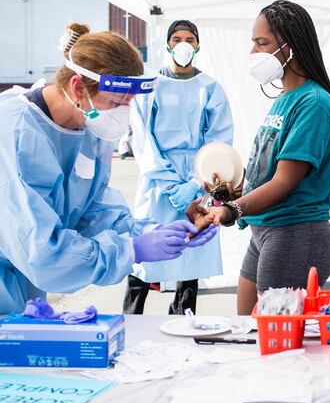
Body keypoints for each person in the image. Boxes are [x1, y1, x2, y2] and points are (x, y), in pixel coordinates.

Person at [0, 25, 216, 314]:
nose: (123, 113)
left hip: (23, 281)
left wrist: (148, 230)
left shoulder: (90, 126)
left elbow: (94, 208)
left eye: (129, 103)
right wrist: (131, 249)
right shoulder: (15, 134)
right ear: (78, 88)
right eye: (116, 102)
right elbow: (42, 253)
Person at [202, 0, 330, 315]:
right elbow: (267, 175)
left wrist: (231, 210)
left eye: (261, 42)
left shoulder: (314, 103)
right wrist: (230, 193)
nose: (253, 51)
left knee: (273, 342)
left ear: (290, 47)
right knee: (247, 329)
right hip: (266, 232)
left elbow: (284, 182)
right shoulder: (285, 98)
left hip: (296, 235)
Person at [123, 19, 234, 315]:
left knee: (191, 252)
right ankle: (131, 320)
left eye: (190, 38)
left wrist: (196, 183)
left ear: (198, 45)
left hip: (196, 184)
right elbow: (143, 139)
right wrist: (171, 184)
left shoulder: (210, 88)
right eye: (177, 38)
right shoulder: (150, 86)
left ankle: (184, 319)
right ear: (167, 44)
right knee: (145, 253)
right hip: (157, 182)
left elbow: (219, 142)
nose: (183, 44)